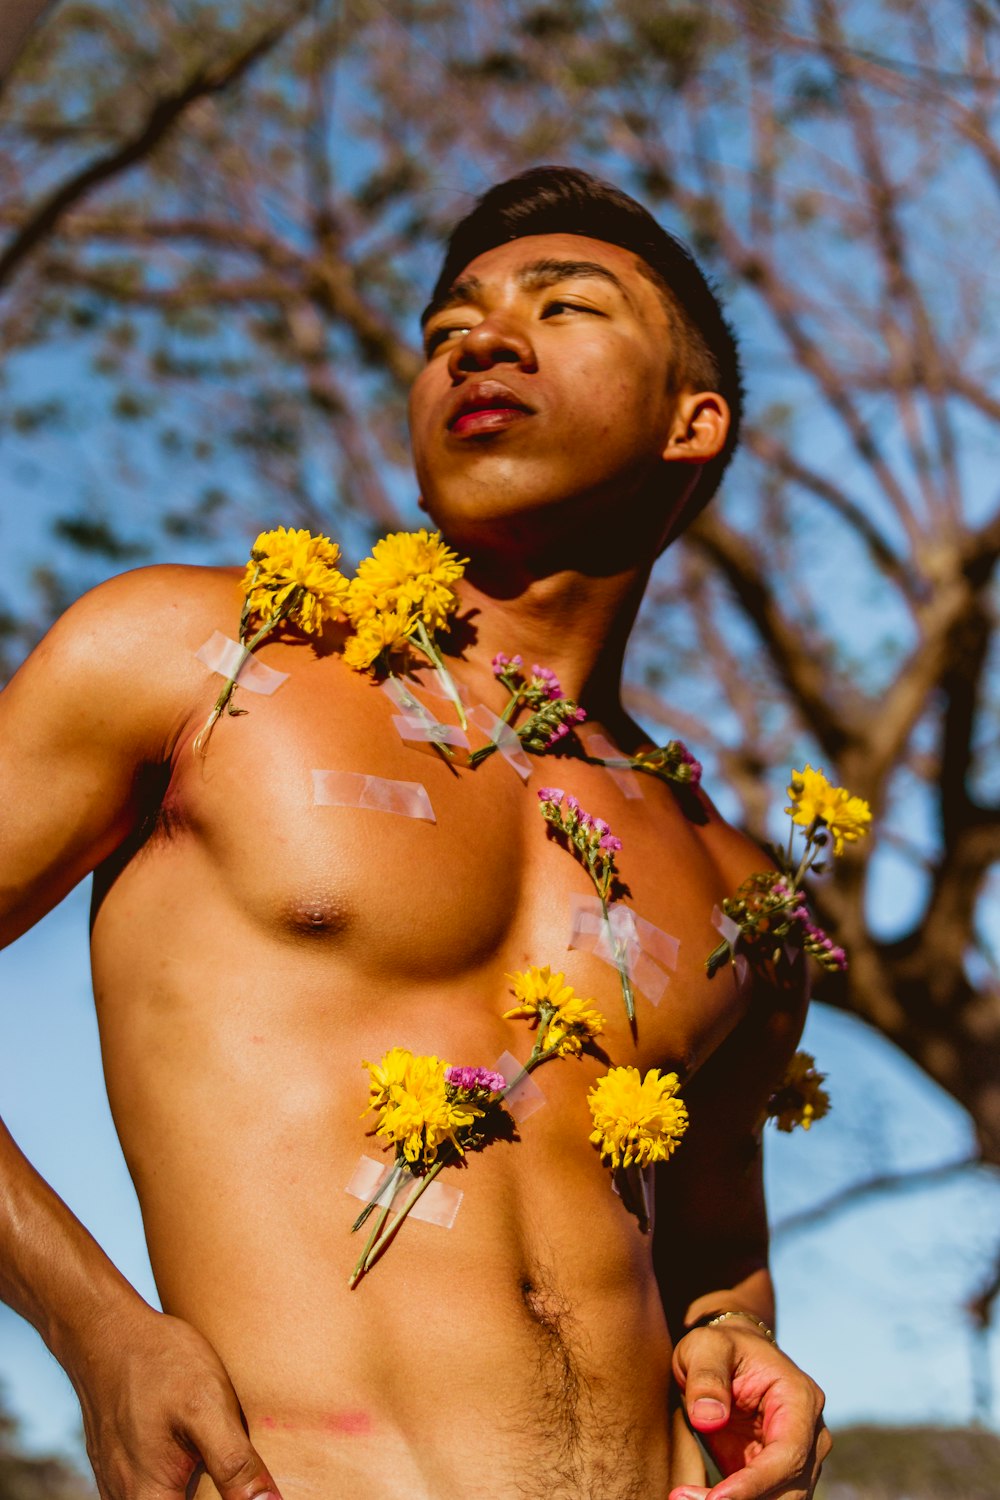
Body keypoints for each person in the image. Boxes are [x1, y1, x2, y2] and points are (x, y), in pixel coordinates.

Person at [0, 166, 831, 1500]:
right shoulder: (198, 662)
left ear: (695, 423)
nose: (481, 343)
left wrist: (738, 1341)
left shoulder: (738, 888)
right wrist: (96, 1329)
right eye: (448, 330)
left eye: (563, 308)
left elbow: (715, 1240)